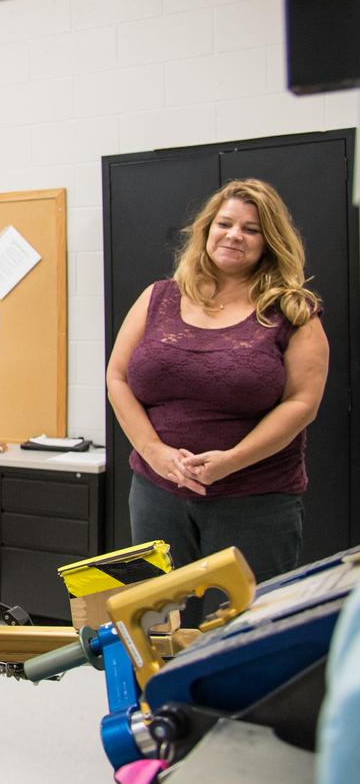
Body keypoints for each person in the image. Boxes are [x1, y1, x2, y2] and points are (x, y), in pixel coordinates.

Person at [106, 178, 329, 591]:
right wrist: (154, 452)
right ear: (207, 230)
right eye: (225, 224)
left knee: (250, 630)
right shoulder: (160, 297)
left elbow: (302, 403)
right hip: (158, 493)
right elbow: (117, 377)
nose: (234, 236)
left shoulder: (293, 311)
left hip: (255, 500)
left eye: (251, 229)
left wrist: (231, 461)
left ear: (269, 241)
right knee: (160, 624)